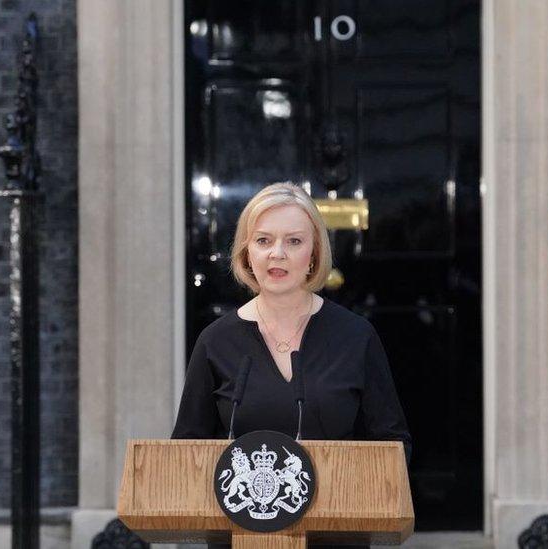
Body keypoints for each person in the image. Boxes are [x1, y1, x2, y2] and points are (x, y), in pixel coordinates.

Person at [171, 183, 411, 545]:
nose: (277, 254)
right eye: (264, 241)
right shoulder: (215, 341)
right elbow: (186, 450)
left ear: (314, 253)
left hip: (335, 536)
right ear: (246, 252)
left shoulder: (355, 336)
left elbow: (393, 444)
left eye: (294, 241)